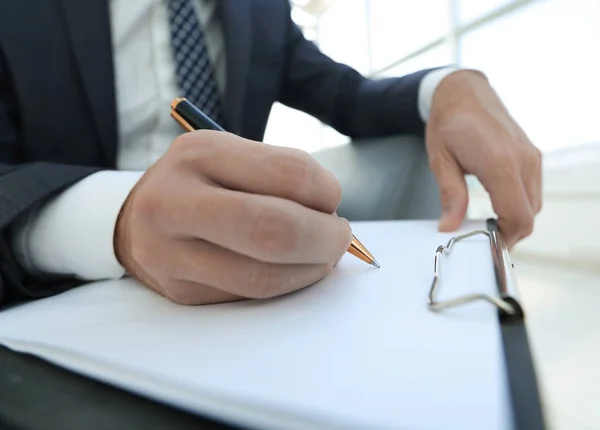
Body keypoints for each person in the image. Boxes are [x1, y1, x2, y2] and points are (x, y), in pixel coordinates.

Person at [0, 0, 541, 306]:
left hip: (245, 279)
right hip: (60, 286)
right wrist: (113, 220)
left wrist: (446, 87)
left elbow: (347, 96)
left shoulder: (259, 12)